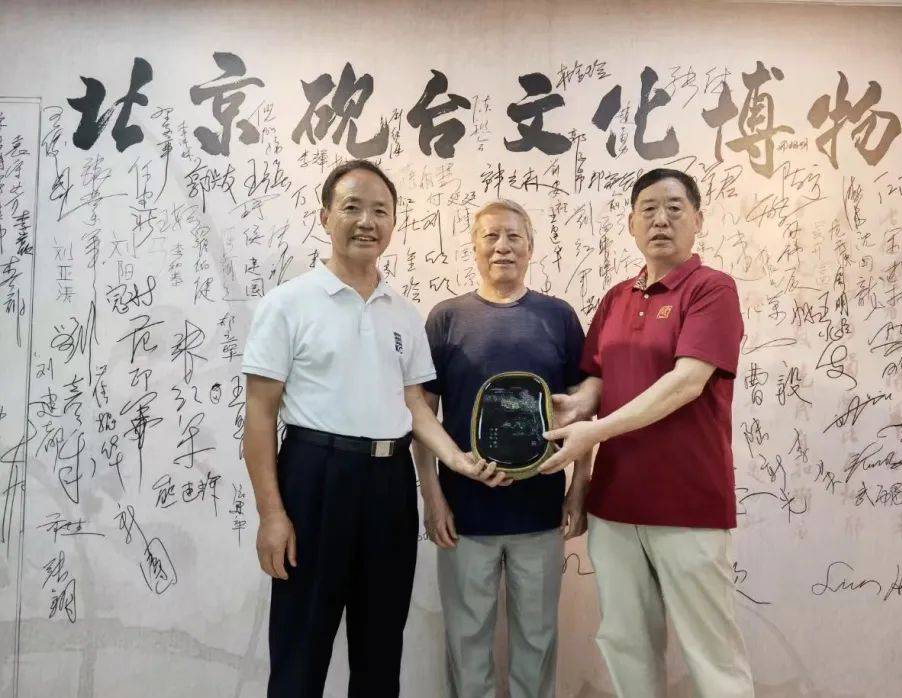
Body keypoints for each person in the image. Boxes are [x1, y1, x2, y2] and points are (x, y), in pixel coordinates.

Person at [241, 159, 506, 698]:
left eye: (380, 211)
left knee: (381, 648)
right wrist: (272, 514)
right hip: (314, 478)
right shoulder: (288, 303)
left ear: (393, 223)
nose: (367, 221)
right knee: (301, 647)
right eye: (353, 208)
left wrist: (456, 459)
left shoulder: (403, 313)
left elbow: (413, 404)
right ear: (325, 217)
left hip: (389, 485)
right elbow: (260, 414)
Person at [541, 169, 754, 697]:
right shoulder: (616, 297)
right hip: (615, 505)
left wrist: (596, 430)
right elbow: (597, 376)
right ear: (632, 224)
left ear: (698, 220)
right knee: (626, 644)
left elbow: (686, 382)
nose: (661, 219)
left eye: (675, 208)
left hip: (689, 504)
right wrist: (579, 408)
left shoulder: (712, 288)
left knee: (711, 654)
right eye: (649, 209)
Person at [415, 199, 589, 698]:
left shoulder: (558, 317)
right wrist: (433, 496)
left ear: (531, 247)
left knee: (537, 641)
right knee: (466, 642)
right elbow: (421, 416)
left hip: (540, 512)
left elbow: (582, 410)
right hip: (464, 515)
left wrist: (579, 487)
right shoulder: (446, 319)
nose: (502, 247)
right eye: (490, 236)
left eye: (514, 236)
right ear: (474, 247)